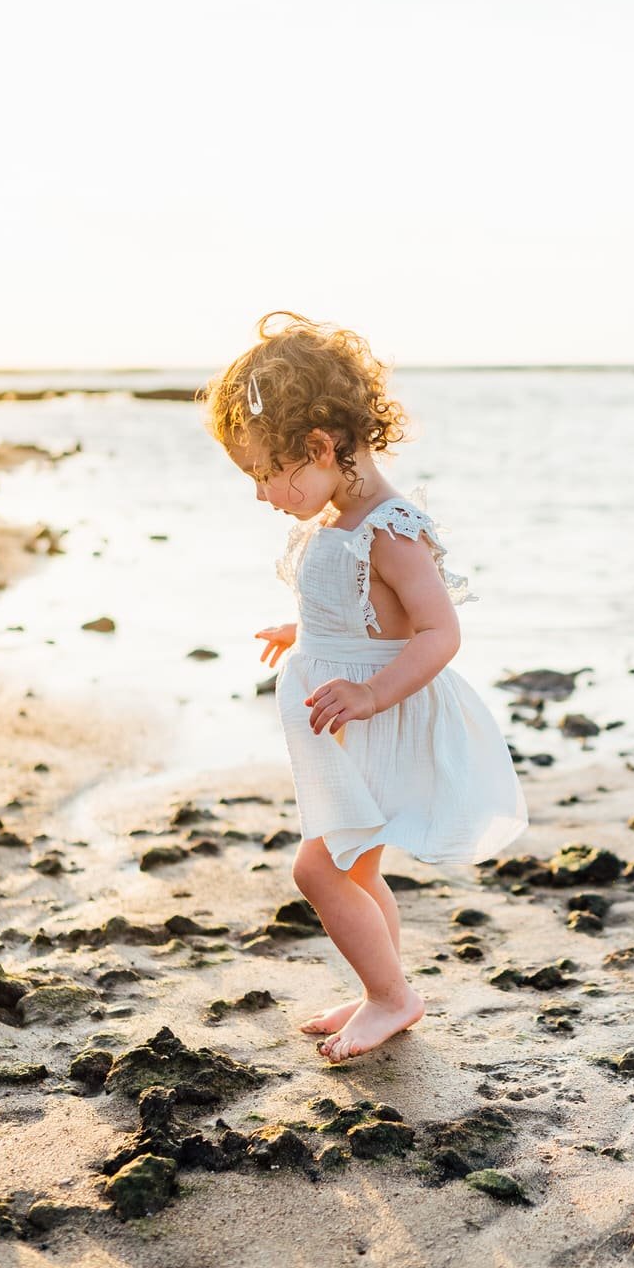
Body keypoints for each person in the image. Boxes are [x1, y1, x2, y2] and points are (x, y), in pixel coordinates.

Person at [199, 311, 528, 1060]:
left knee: (318, 867)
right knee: (356, 863)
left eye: (263, 473)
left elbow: (437, 632)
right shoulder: (334, 516)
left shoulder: (391, 528)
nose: (259, 494)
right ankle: (384, 983)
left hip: (382, 718)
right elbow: (352, 610)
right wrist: (304, 636)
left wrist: (375, 694)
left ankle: (391, 996)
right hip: (344, 724)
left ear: (318, 447)